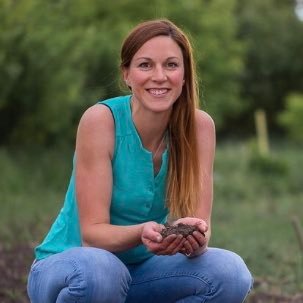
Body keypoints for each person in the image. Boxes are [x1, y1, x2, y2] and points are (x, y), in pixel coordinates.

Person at [27, 19, 253, 303]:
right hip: (72, 269)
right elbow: (93, 236)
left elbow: (202, 229)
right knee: (102, 272)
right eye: (145, 65)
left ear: (184, 75)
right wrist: (142, 232)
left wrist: (192, 239)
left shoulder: (199, 128)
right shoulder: (101, 120)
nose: (159, 76)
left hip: (141, 274)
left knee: (230, 273)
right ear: (127, 74)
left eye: (171, 65)